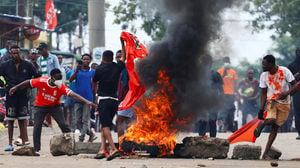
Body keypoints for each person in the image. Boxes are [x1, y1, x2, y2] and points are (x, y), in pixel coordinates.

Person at [9, 68, 97, 155]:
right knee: (37, 126)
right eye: (58, 79)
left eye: (60, 79)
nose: (59, 81)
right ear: (52, 78)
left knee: (63, 125)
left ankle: (71, 145)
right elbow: (28, 82)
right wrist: (15, 87)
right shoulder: (42, 81)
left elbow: (73, 95)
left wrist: (87, 102)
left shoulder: (61, 86)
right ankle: (36, 149)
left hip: (55, 106)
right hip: (40, 106)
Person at [254, 55, 297, 159]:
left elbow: (295, 85)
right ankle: (262, 124)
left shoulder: (285, 71)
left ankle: (265, 154)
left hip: (285, 103)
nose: (262, 66)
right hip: (271, 101)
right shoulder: (263, 75)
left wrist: (287, 93)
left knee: (275, 128)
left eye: (264, 64)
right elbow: (263, 93)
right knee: (271, 119)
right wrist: (261, 109)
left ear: (271, 64)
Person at [0, 45, 39, 151]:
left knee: (22, 119)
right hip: (11, 95)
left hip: (23, 95)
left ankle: (23, 140)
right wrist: (3, 85)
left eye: (17, 53)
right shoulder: (5, 65)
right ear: (10, 54)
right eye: (13, 53)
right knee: (10, 120)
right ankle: (10, 144)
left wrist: (30, 86)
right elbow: (0, 76)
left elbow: (36, 76)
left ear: (20, 53)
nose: (15, 55)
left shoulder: (27, 65)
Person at [93, 47, 126, 160]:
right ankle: (102, 149)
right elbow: (123, 58)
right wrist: (123, 44)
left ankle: (113, 149)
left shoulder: (100, 69)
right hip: (114, 101)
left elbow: (94, 81)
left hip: (104, 100)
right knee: (103, 125)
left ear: (103, 58)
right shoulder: (117, 67)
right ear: (112, 58)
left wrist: (96, 96)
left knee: (105, 126)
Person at [69, 54, 97, 142]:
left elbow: (95, 85)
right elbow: (70, 80)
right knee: (78, 120)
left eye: (87, 59)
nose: (85, 61)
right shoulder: (77, 71)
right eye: (84, 59)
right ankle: (90, 133)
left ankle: (81, 138)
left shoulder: (92, 72)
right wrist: (77, 70)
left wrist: (95, 96)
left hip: (88, 98)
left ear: (90, 61)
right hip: (77, 98)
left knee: (85, 119)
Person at [37, 42, 60, 127]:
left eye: (41, 50)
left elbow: (57, 70)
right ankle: (47, 120)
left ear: (45, 49)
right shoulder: (39, 59)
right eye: (39, 50)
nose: (40, 52)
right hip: (42, 83)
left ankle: (49, 121)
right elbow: (39, 71)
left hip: (51, 82)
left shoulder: (53, 58)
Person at [198, 70, 223, 137]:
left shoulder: (216, 74)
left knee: (213, 119)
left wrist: (220, 98)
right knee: (203, 119)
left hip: (213, 99)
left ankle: (213, 137)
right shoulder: (200, 73)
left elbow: (220, 88)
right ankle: (201, 136)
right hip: (203, 99)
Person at [115, 50, 133, 138]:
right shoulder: (116, 69)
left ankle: (123, 144)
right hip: (120, 99)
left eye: (120, 57)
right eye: (117, 57)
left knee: (121, 121)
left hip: (126, 99)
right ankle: (127, 143)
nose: (119, 59)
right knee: (127, 121)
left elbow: (125, 84)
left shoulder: (125, 69)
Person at [217, 57, 238, 132]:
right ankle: (223, 126)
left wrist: (236, 93)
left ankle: (230, 127)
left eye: (228, 61)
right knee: (223, 111)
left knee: (231, 111)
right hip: (222, 94)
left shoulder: (233, 72)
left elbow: (235, 84)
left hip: (231, 94)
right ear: (223, 63)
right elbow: (217, 82)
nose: (227, 63)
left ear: (230, 62)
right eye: (225, 61)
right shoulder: (219, 71)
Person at [288, 48, 300, 139]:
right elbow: (288, 80)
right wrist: (296, 76)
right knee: (297, 112)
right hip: (297, 92)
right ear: (297, 52)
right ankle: (299, 132)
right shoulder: (291, 65)